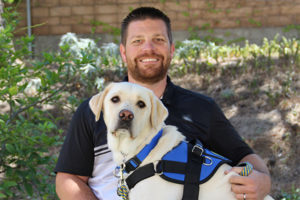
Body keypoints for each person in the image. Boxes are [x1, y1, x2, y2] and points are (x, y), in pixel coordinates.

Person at [55, 7, 271, 200]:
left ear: (171, 49)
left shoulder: (201, 108)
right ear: (123, 52)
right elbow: (68, 179)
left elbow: (248, 159)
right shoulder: (96, 109)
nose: (148, 48)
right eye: (137, 41)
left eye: (158, 39)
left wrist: (261, 181)